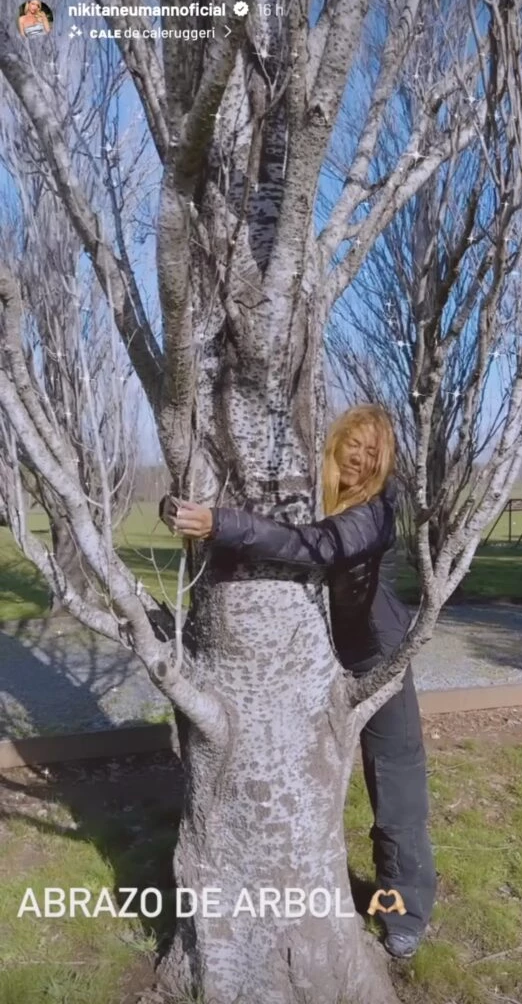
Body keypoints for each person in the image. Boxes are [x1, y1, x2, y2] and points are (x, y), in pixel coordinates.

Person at [159, 403, 437, 959]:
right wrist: (183, 508)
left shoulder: (377, 511)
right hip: (311, 662)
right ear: (334, 444)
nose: (360, 461)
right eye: (353, 446)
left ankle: (404, 907)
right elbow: (281, 524)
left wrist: (221, 524)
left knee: (397, 785)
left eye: (373, 454)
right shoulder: (308, 490)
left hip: (377, 657)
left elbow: (318, 546)